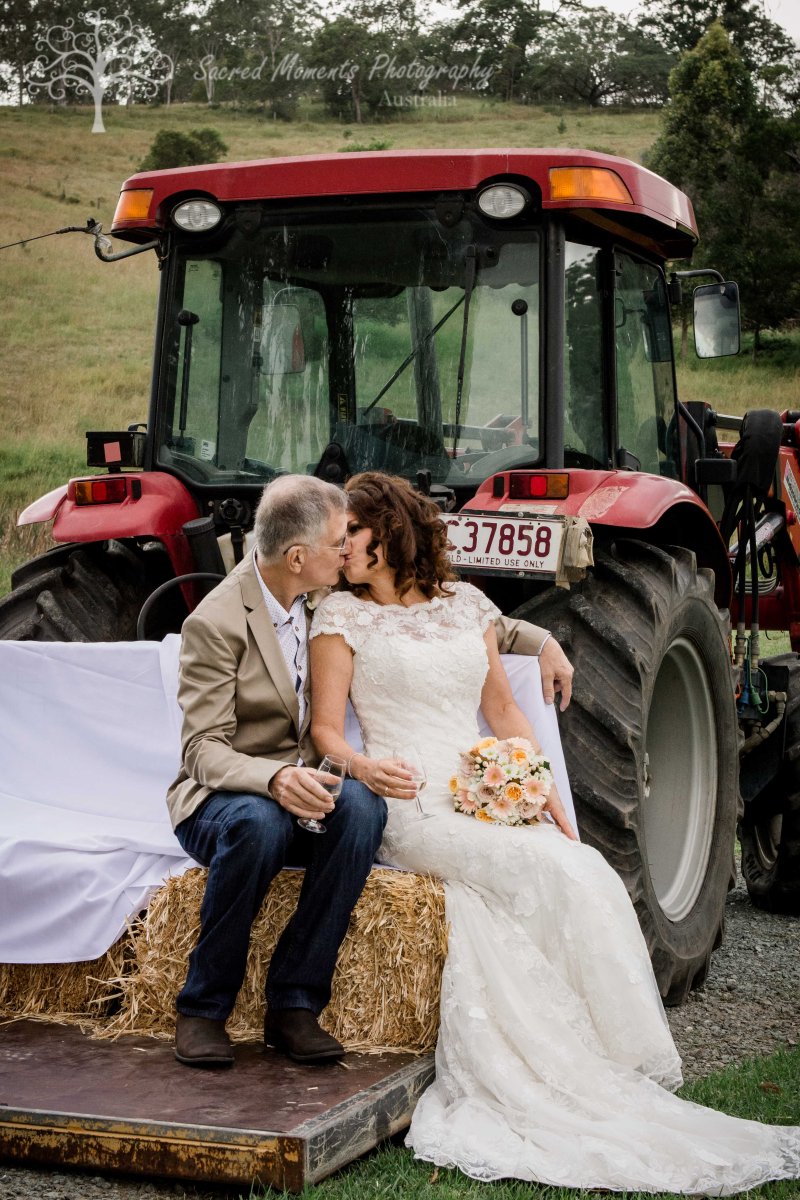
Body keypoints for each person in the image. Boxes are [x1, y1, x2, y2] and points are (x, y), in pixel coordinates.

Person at [309, 471, 800, 1194]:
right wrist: (364, 768)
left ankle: (597, 1054)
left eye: (349, 531)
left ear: (387, 531)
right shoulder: (339, 618)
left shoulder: (467, 605)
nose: (338, 545)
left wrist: (537, 790)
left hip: (475, 789)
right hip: (410, 801)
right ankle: (554, 1061)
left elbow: (504, 712)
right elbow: (324, 730)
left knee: (583, 867)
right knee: (543, 871)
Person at [166, 474, 566, 1070]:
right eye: (337, 541)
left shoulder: (319, 596)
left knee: (361, 809)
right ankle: (203, 1008)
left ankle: (294, 1004)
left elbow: (437, 614)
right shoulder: (217, 621)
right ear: (298, 557)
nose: (346, 550)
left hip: (307, 786)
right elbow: (202, 750)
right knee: (260, 824)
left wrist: (540, 638)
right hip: (227, 797)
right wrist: (274, 780)